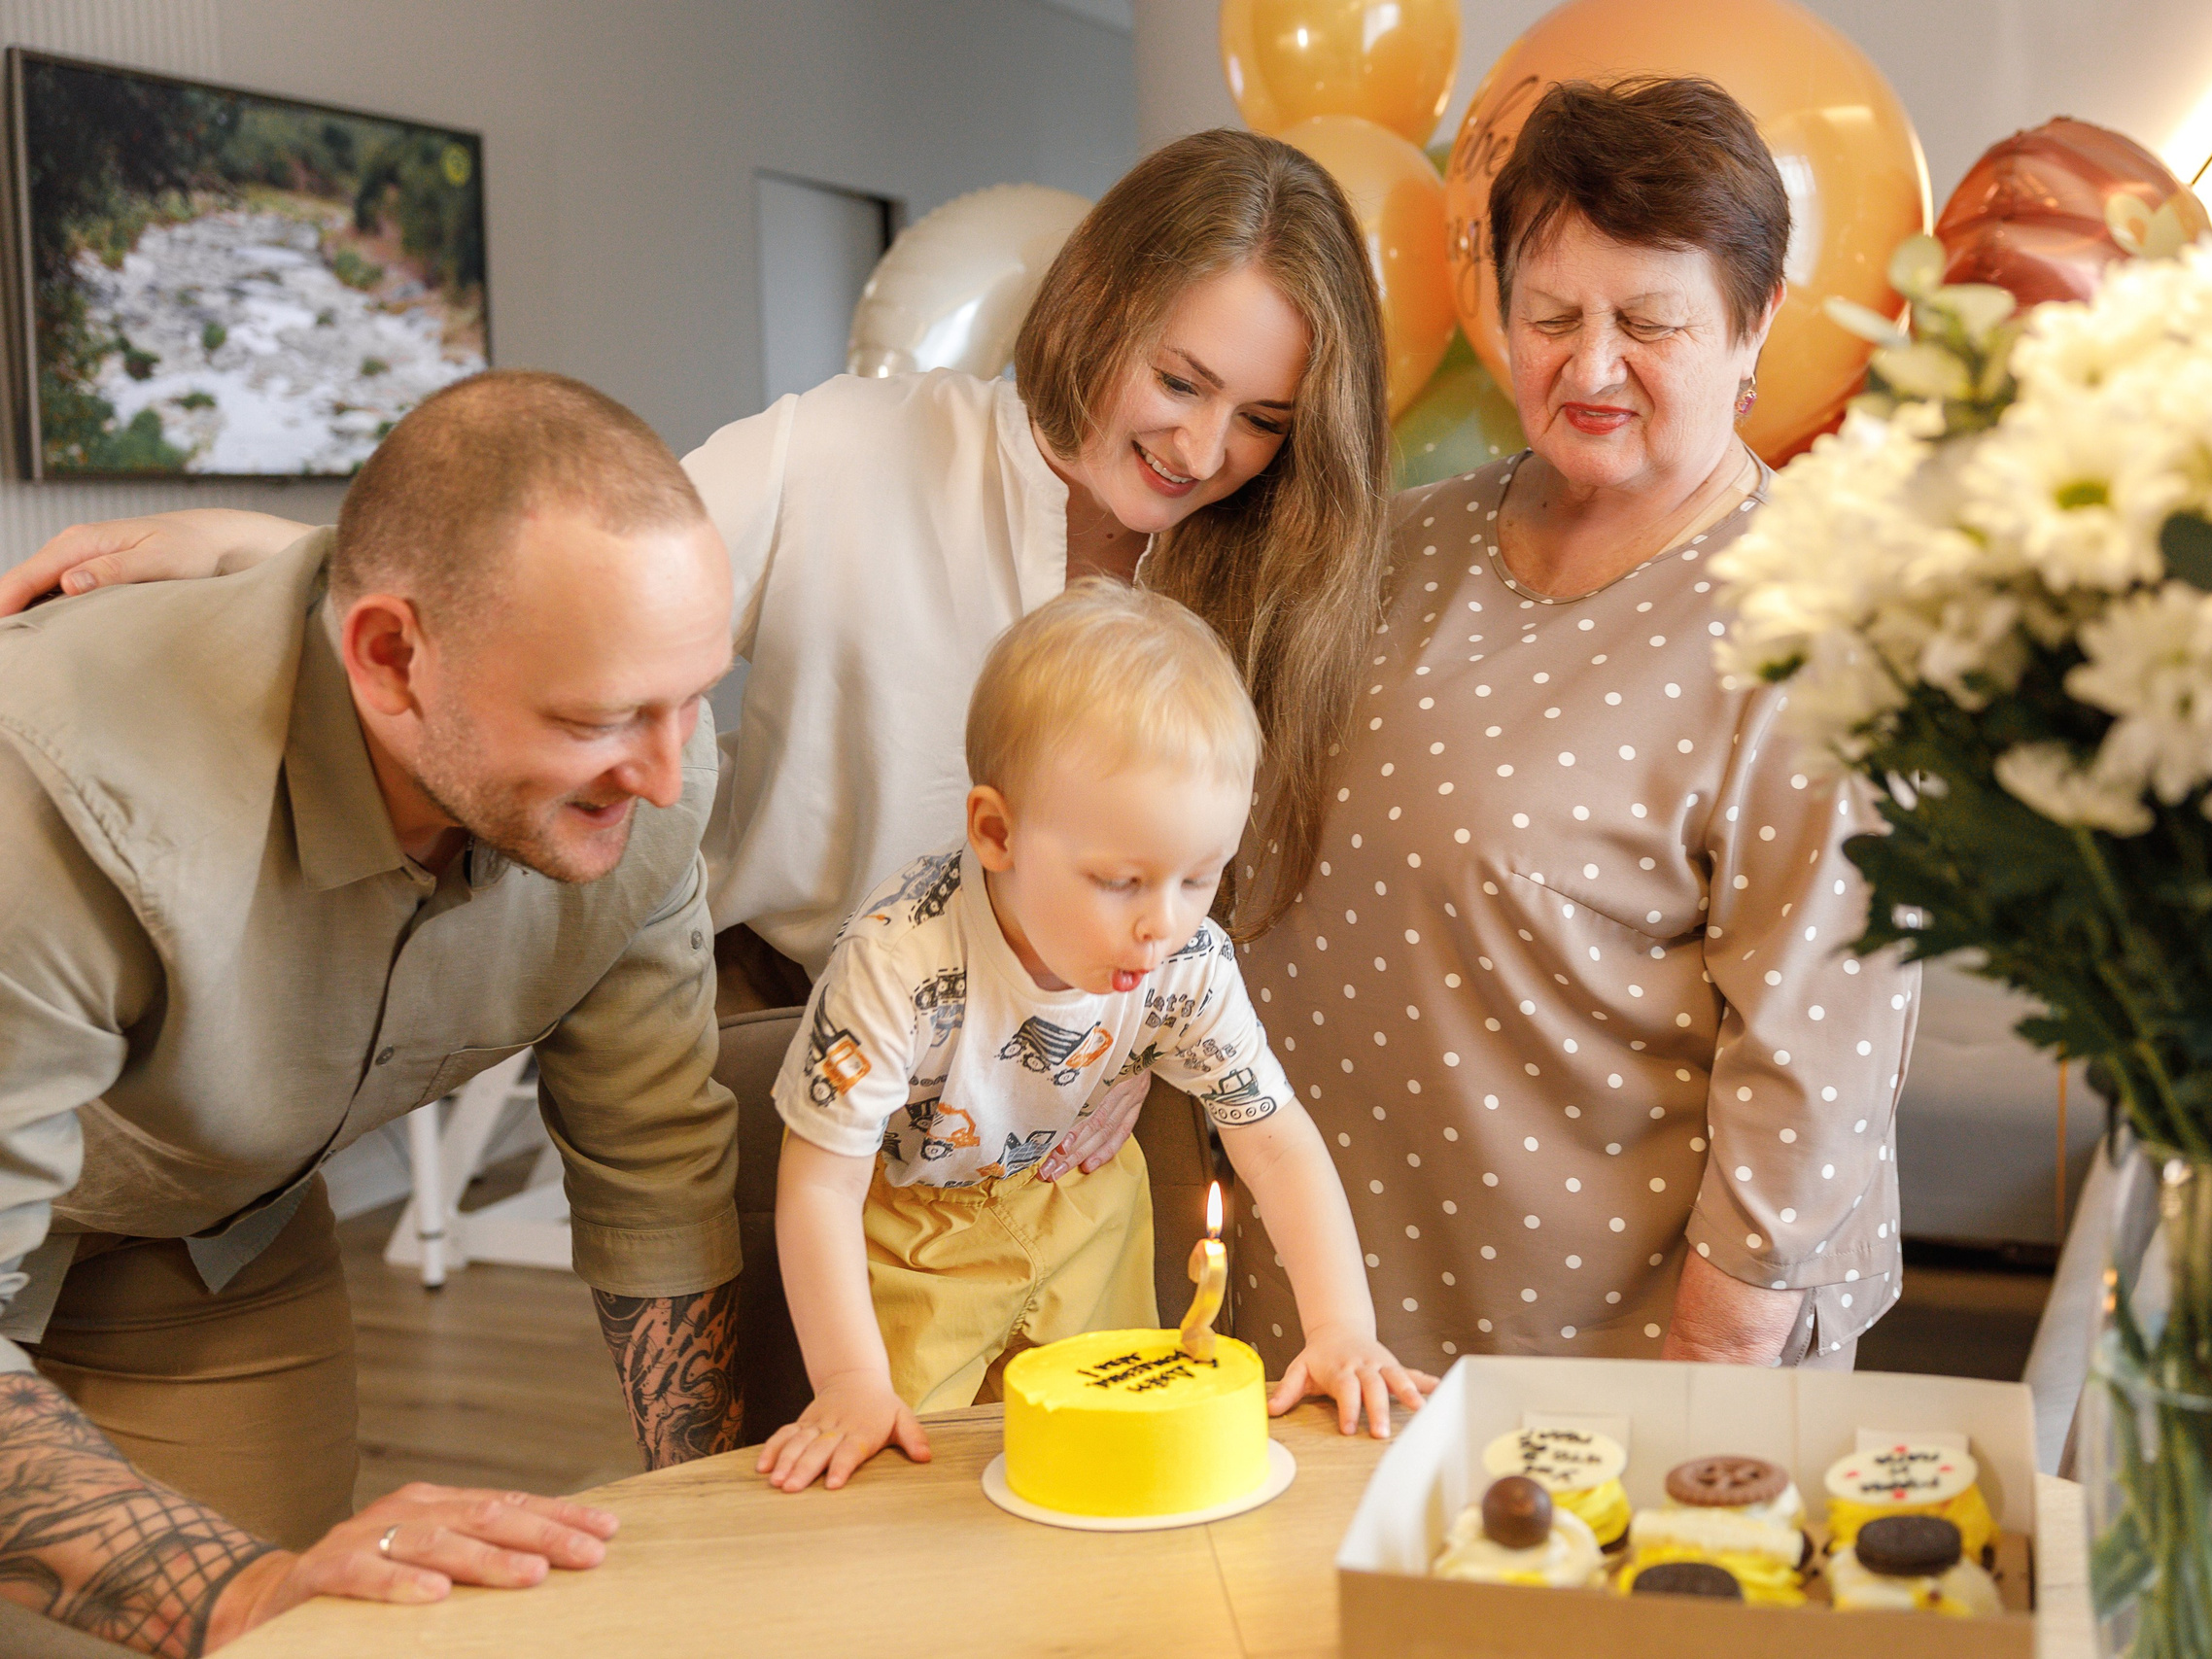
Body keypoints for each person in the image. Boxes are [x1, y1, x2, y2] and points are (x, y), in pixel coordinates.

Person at [0, 126, 1393, 1190]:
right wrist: (258, 543)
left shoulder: (1261, 571)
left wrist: (1127, 1047)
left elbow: (1195, 876)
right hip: (787, 1039)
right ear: (1095, 303)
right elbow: (558, 575)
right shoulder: (853, 445)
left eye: (1264, 417)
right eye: (1179, 380)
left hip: (1066, 1093)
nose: (1206, 452)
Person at [0, 371, 748, 1653]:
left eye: (689, 699)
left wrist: (735, 1545)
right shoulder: (57, 790)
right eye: (600, 718)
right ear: (391, 660)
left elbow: (657, 1161)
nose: (667, 771)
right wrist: (237, 1585)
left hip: (208, 1224)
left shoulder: (646, 779)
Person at [1232, 79, 1921, 1373]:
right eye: (1551, 314)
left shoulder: (1815, 629)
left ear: (1755, 317)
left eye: (1649, 322)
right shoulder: (1397, 540)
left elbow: (1810, 1077)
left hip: (1607, 1347)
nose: (1591, 365)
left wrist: (1700, 1396)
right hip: (1319, 1302)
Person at [754, 582, 1431, 1492]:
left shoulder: (1186, 953)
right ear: (997, 832)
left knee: (1108, 1456)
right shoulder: (895, 965)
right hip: (917, 1237)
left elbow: (1273, 1141)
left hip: (1082, 1209)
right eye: (1122, 880)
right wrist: (849, 1380)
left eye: (1201, 876)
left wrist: (1342, 1326)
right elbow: (820, 1182)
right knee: (915, 1484)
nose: (1165, 923)